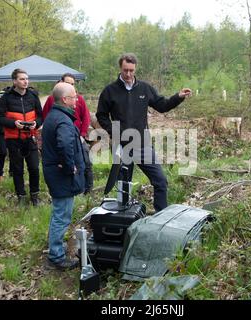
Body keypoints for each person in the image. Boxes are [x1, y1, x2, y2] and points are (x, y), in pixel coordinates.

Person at [96, 53, 192, 212]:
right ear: (120, 68)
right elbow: (101, 115)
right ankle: (124, 219)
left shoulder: (145, 88)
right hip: (122, 146)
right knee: (123, 187)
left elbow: (162, 106)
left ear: (135, 69)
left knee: (160, 181)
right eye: (125, 70)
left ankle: (161, 215)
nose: (128, 74)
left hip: (142, 145)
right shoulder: (110, 91)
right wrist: (114, 131)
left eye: (131, 70)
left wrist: (178, 97)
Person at [42, 82, 85, 270]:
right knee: (62, 215)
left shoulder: (54, 115)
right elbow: (65, 145)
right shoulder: (63, 120)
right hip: (61, 175)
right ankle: (56, 257)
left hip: (54, 172)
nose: (77, 99)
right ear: (65, 99)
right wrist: (69, 168)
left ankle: (54, 248)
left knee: (58, 212)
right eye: (74, 96)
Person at [0, 69, 43, 206]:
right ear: (15, 81)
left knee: (34, 167)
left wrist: (36, 123)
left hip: (30, 137)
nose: (25, 81)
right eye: (22, 79)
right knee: (17, 169)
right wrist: (13, 123)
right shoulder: (6, 97)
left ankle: (35, 196)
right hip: (13, 139)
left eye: (27, 78)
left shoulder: (33, 95)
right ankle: (21, 197)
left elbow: (41, 116)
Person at [43, 73, 93, 194]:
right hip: (63, 137)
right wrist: (68, 167)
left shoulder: (78, 98)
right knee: (69, 162)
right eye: (68, 83)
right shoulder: (53, 101)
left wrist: (82, 134)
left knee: (86, 163)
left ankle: (87, 188)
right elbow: (46, 116)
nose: (71, 86)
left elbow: (86, 117)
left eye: (72, 84)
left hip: (78, 136)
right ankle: (75, 186)